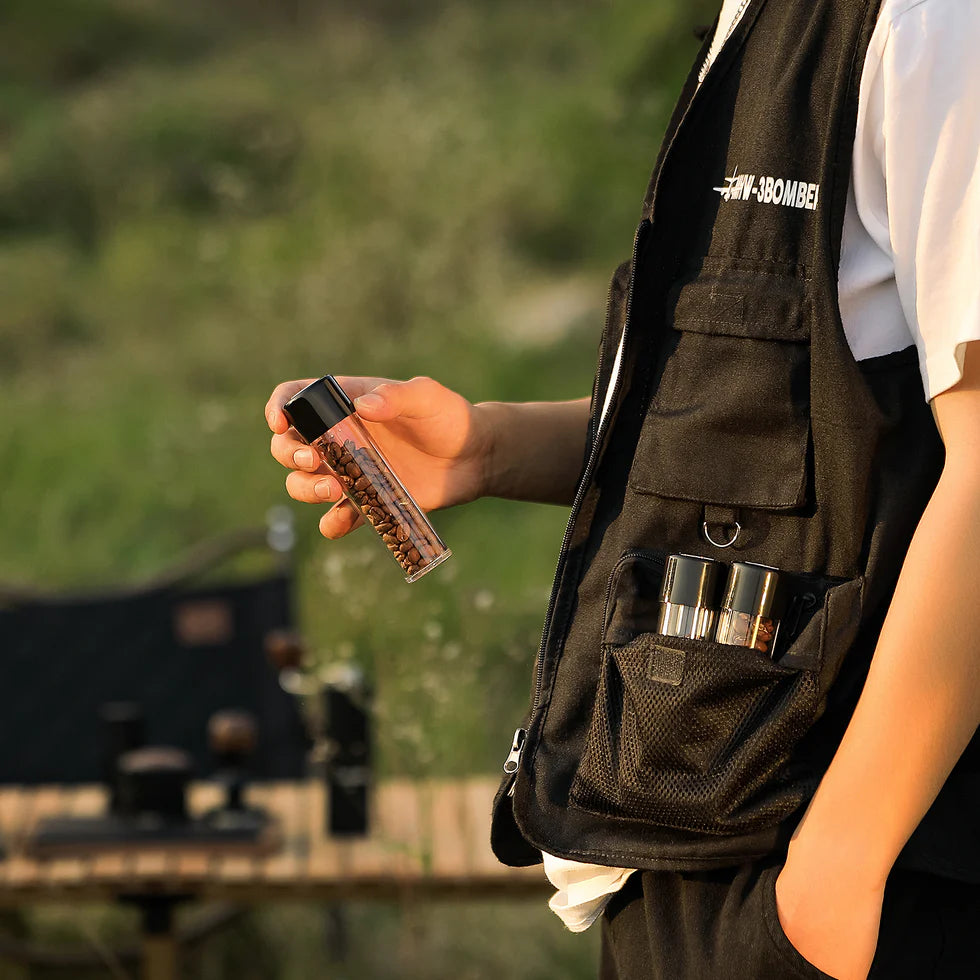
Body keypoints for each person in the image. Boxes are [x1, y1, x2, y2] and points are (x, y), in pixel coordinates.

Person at [267, 0, 980, 976]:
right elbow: (798, 428)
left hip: (843, 881)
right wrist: (487, 446)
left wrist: (831, 880)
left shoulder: (926, 21)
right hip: (703, 856)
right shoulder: (762, 25)